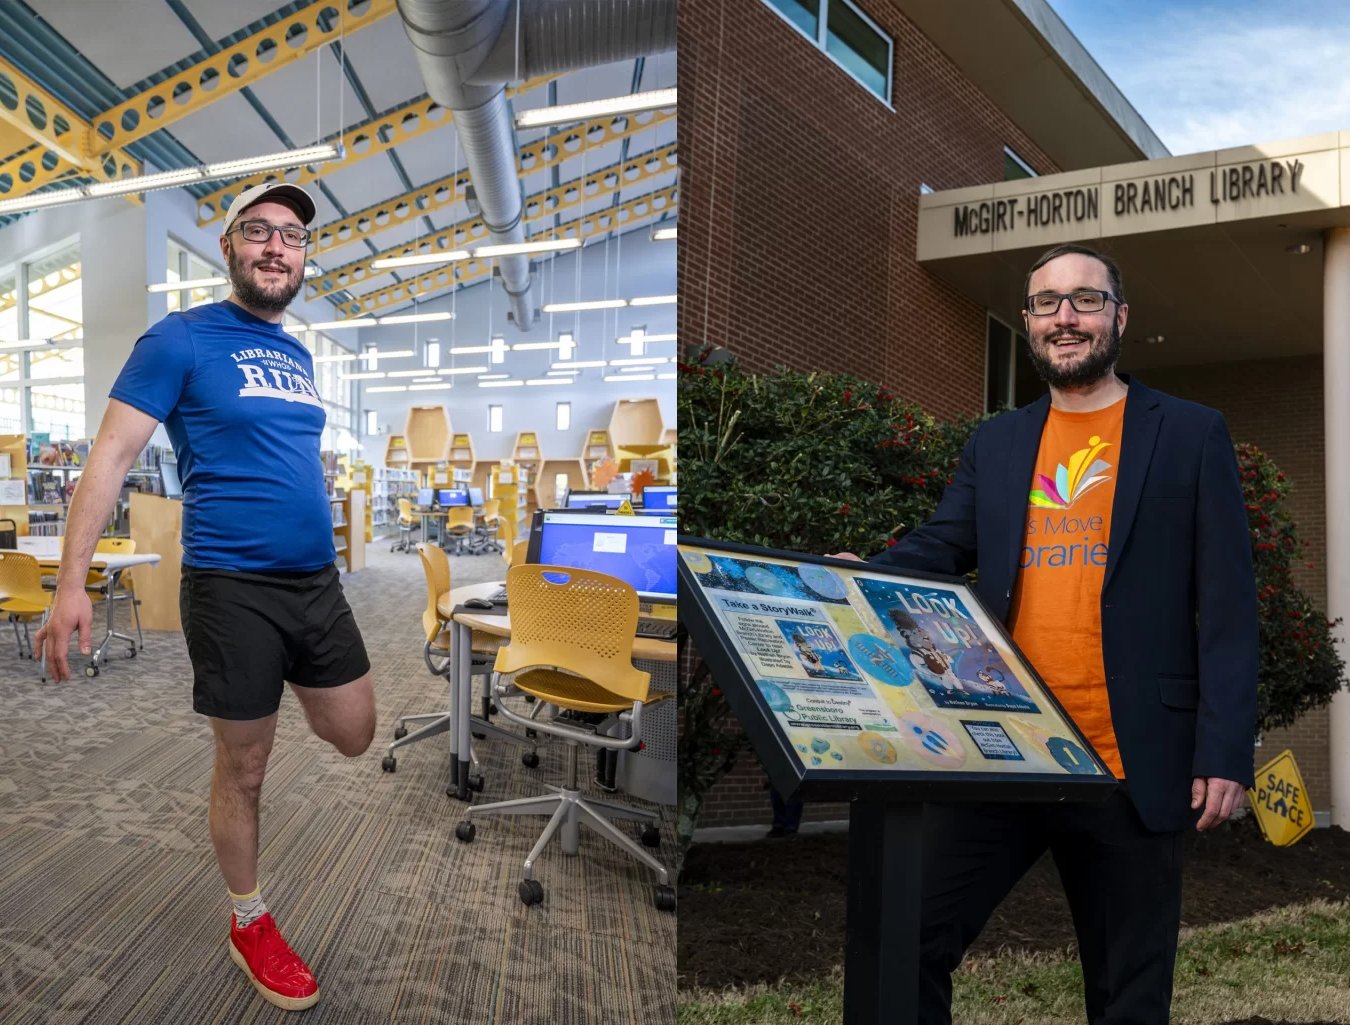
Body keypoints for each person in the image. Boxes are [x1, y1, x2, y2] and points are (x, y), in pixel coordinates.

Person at [838, 243, 1258, 1025]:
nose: (1065, 317)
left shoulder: (1190, 433)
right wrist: (864, 573)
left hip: (1130, 760)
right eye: (1046, 303)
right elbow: (943, 544)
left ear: (1119, 317)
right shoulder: (997, 443)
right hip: (1008, 746)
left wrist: (1224, 749)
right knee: (906, 937)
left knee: (1128, 994)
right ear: (1029, 322)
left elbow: (1229, 604)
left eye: (1085, 299)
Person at [36, 181, 376, 1013]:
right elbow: (110, 459)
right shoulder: (179, 338)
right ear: (228, 247)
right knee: (245, 766)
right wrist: (72, 583)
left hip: (316, 582)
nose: (276, 246)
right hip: (232, 587)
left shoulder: (299, 357)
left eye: (292, 235)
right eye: (258, 230)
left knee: (355, 730)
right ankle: (248, 918)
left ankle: (269, 687)